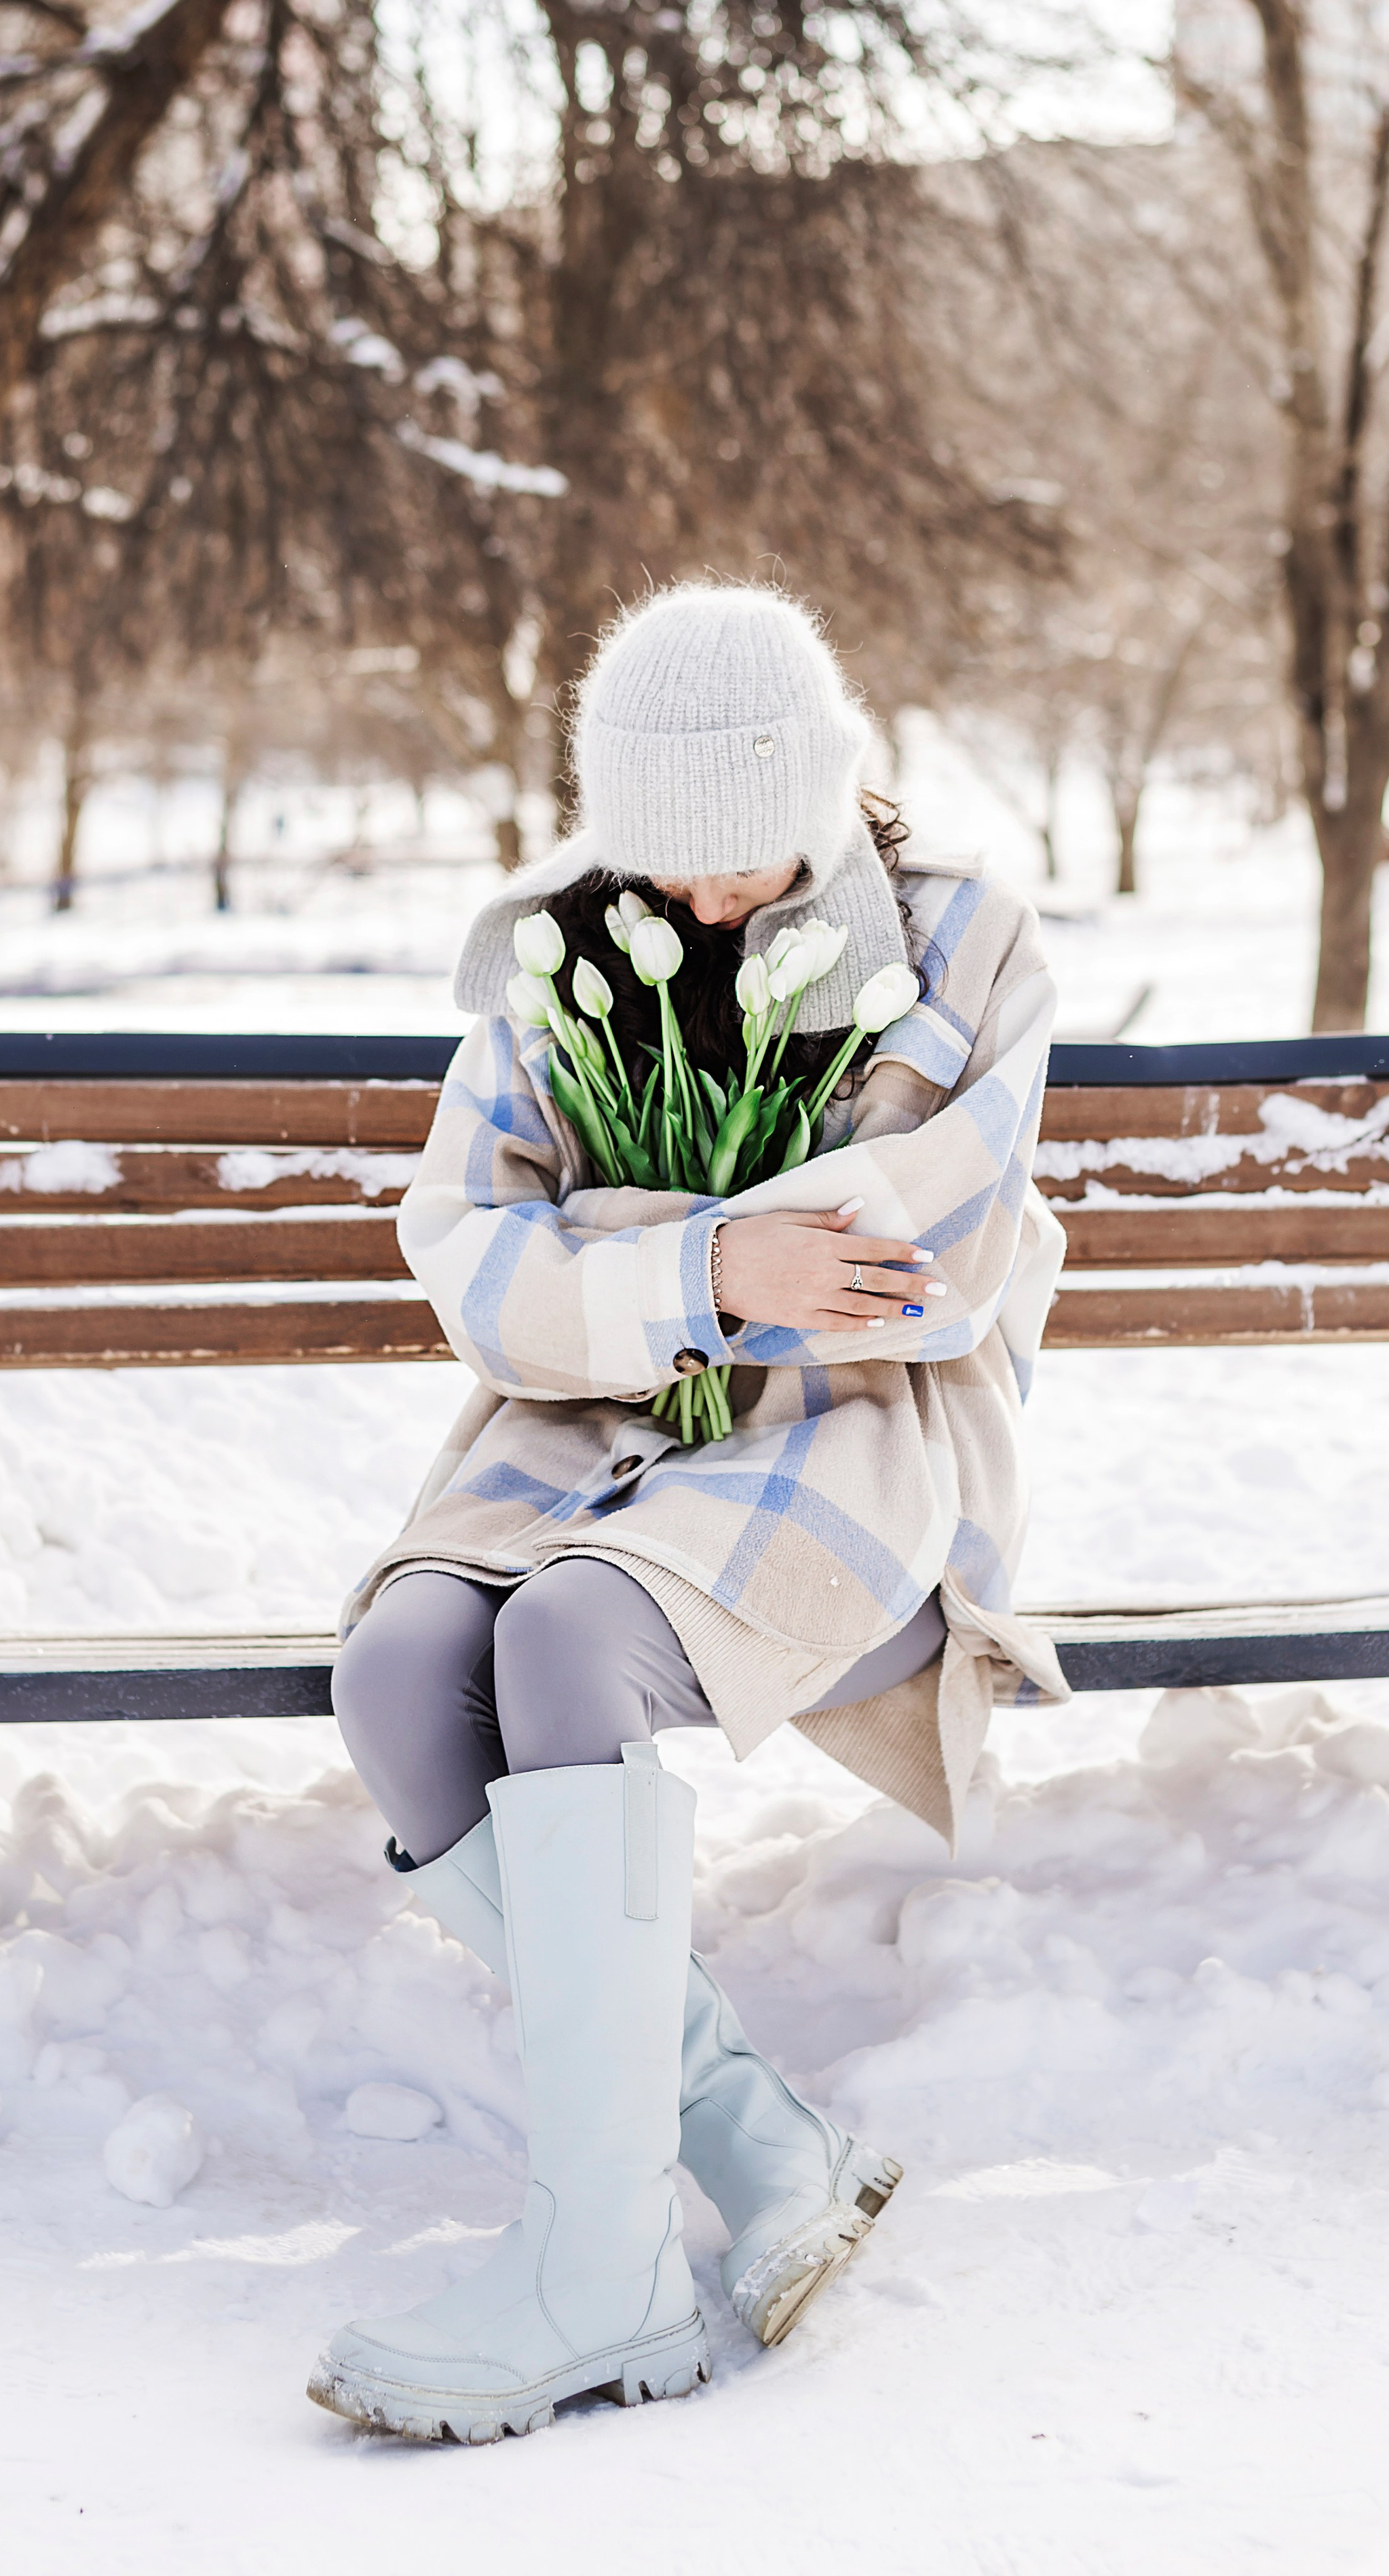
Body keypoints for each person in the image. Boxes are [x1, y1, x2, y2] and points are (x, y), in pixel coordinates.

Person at [308, 582, 1069, 2444]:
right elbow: (466, 1254)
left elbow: (915, 1263)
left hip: (847, 1451)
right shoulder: (559, 956)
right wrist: (719, 1256)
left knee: (567, 1639)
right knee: (407, 1671)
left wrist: (633, 1254)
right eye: (667, 866)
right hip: (571, 1434)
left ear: (825, 793)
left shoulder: (961, 941)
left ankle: (602, 2267)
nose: (705, 902)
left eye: (744, 860)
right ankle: (757, 2139)